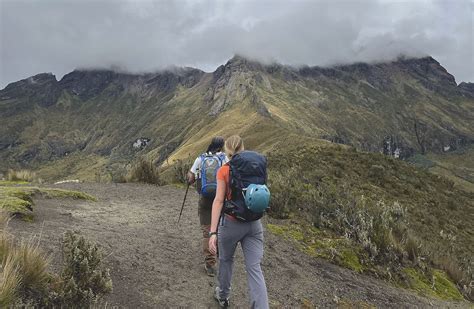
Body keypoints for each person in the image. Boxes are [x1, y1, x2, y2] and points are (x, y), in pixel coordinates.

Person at [209, 135, 269, 309]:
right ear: (243, 148)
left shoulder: (224, 171)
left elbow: (219, 201)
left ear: (227, 151)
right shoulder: (257, 167)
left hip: (231, 223)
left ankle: (223, 295)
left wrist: (213, 232)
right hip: (254, 224)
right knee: (254, 268)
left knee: (226, 260)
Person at [187, 136, 228, 277]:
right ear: (221, 146)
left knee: (207, 231)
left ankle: (210, 264)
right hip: (221, 199)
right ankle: (221, 255)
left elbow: (190, 177)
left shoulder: (200, 158)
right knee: (220, 228)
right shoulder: (224, 159)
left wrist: (191, 181)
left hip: (204, 199)